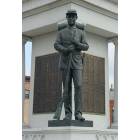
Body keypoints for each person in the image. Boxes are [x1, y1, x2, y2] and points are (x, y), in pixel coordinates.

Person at [54, 9, 89, 121]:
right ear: (67, 18)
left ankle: (78, 113)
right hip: (65, 62)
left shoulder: (81, 32)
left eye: (73, 16)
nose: (71, 18)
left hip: (77, 62)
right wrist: (65, 49)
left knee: (78, 86)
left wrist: (77, 44)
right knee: (67, 88)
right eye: (69, 16)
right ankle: (68, 114)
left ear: (76, 18)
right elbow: (56, 44)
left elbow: (86, 46)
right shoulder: (61, 32)